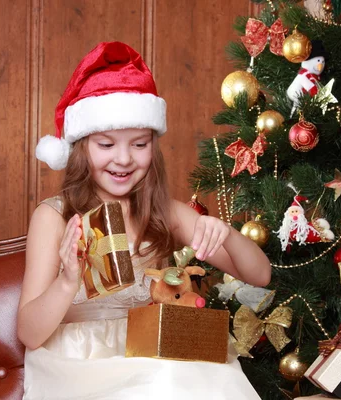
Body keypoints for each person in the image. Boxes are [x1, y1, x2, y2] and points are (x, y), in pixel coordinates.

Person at [17, 41, 271, 400]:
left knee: (207, 381)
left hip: (150, 352)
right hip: (77, 365)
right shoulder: (55, 216)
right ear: (81, 147)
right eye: (106, 145)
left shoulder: (161, 210)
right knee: (161, 384)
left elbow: (260, 274)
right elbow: (28, 333)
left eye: (139, 144)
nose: (123, 159)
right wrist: (66, 281)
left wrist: (225, 234)